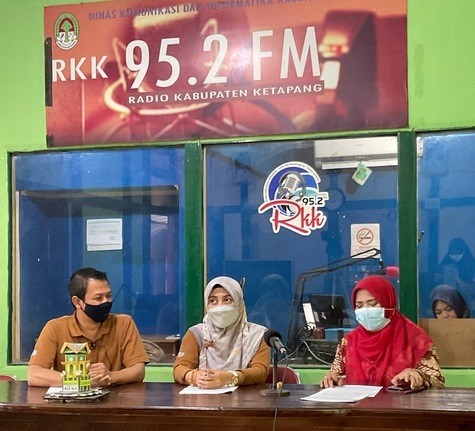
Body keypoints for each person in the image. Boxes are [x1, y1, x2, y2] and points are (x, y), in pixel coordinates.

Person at [28, 267, 149, 387]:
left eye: (108, 296)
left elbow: (138, 370)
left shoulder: (124, 324)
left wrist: (111, 376)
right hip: (71, 398)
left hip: (116, 397)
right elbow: (34, 375)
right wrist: (81, 381)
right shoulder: (55, 328)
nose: (105, 302)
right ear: (77, 302)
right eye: (98, 298)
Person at [320, 275, 445, 390]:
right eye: (359, 306)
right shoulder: (349, 342)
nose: (366, 310)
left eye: (373, 303)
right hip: (358, 406)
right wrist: (332, 378)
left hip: (401, 406)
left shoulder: (415, 339)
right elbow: (337, 375)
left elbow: (437, 382)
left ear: (388, 302)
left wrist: (419, 376)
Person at [173, 276, 270, 388]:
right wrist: (194, 377)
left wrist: (230, 377)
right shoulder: (197, 333)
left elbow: (260, 372)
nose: (220, 307)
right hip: (203, 396)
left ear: (239, 303)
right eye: (213, 301)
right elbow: (179, 368)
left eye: (227, 300)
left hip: (244, 397)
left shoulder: (258, 335)